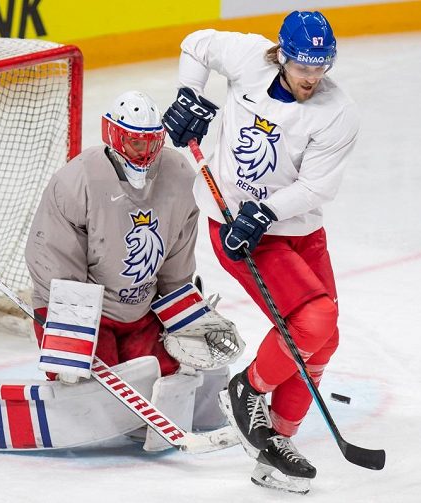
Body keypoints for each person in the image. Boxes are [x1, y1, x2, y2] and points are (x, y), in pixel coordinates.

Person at [0, 91, 243, 458]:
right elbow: (54, 264)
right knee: (84, 392)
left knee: (171, 371)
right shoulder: (76, 182)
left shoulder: (179, 176)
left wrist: (184, 318)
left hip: (142, 311)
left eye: (151, 143)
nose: (144, 153)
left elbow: (176, 261)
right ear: (112, 134)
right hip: (86, 311)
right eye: (134, 142)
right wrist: (70, 340)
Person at [162, 11, 359, 494]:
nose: (312, 78)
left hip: (296, 229)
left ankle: (275, 447)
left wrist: (265, 211)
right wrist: (190, 92)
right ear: (282, 54)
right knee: (312, 322)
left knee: (322, 340)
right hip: (236, 227)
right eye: (303, 66)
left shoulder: (337, 112)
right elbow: (196, 42)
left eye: (321, 67)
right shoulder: (250, 58)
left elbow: (315, 186)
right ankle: (248, 389)